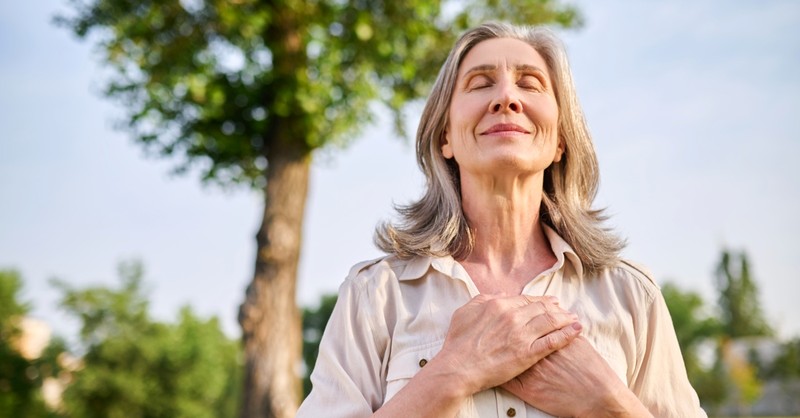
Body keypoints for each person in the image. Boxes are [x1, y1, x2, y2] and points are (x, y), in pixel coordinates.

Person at [297, 22, 707, 418]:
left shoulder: (632, 296)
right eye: (480, 84)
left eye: (530, 83)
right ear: (446, 138)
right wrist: (451, 373)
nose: (507, 98)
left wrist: (609, 404)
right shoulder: (375, 295)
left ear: (561, 140)